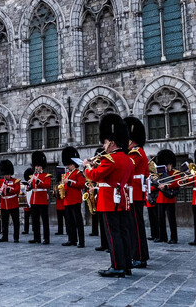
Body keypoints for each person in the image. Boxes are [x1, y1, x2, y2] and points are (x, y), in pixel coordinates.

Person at [84, 113, 134, 278]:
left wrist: (87, 167)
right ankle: (126, 265)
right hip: (122, 200)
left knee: (113, 235)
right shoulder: (127, 159)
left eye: (105, 142)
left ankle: (117, 266)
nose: (103, 145)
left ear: (111, 143)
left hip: (108, 200)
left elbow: (95, 176)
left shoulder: (109, 159)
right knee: (124, 233)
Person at [124, 116, 149, 267]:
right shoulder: (135, 152)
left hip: (134, 193)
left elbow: (126, 167)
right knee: (133, 226)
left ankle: (139, 257)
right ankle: (136, 255)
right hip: (132, 194)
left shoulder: (136, 153)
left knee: (136, 227)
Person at [59, 146, 86, 248]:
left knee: (78, 221)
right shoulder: (66, 175)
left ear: (73, 164)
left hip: (75, 200)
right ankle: (72, 239)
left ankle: (81, 241)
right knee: (69, 222)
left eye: (69, 164)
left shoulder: (78, 173)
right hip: (67, 200)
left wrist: (69, 182)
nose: (67, 166)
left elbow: (81, 184)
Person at [152, 149, 179, 244]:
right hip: (160, 198)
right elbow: (154, 184)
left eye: (167, 164)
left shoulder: (175, 173)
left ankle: (174, 238)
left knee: (171, 220)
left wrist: (167, 186)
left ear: (170, 164)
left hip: (169, 199)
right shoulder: (159, 173)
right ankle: (162, 236)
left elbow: (177, 184)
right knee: (161, 220)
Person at [27, 151, 51, 245]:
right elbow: (31, 188)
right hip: (34, 200)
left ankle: (46, 238)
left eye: (38, 166)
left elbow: (47, 185)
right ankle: (36, 238)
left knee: (45, 221)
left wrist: (37, 181)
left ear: (41, 166)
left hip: (42, 200)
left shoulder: (46, 176)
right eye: (35, 166)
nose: (36, 168)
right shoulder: (33, 176)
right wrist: (28, 185)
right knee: (35, 221)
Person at [0, 159, 20, 243]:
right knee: (4, 222)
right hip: (4, 204)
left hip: (13, 204)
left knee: (15, 222)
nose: (6, 176)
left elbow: (17, 190)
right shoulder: (1, 182)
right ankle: (4, 236)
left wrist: (9, 189)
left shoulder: (15, 181)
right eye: (5, 174)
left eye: (7, 174)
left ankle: (16, 237)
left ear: (10, 173)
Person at [22, 167, 33, 236]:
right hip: (26, 203)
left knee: (34, 217)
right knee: (26, 217)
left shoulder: (32, 184)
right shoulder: (24, 186)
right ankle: (26, 230)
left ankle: (34, 228)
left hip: (32, 202)